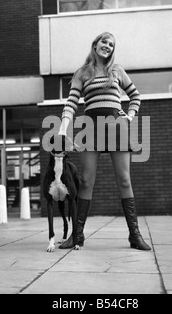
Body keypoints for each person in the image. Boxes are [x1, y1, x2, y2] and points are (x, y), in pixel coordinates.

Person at [58, 32, 151, 251]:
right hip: (91, 129)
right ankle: (77, 236)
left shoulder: (117, 70)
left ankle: (134, 236)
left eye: (111, 44)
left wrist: (129, 116)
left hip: (117, 128)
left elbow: (135, 96)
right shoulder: (82, 73)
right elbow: (71, 103)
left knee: (125, 180)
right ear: (95, 45)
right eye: (104, 42)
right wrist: (63, 128)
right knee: (87, 180)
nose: (107, 46)